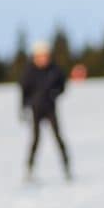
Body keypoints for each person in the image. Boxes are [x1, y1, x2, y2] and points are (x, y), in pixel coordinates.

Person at [19, 41, 71, 181]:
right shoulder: (29, 71)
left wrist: (55, 93)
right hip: (36, 110)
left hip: (50, 108)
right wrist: (23, 108)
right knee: (35, 140)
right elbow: (24, 91)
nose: (43, 59)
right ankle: (29, 170)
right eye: (40, 56)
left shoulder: (55, 69)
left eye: (45, 56)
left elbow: (63, 85)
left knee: (58, 138)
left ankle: (67, 168)